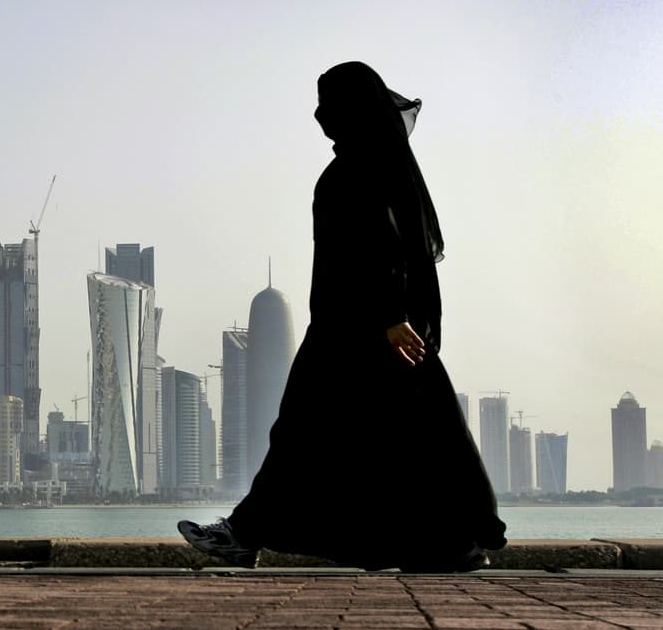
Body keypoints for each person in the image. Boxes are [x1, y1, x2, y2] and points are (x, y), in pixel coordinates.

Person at [178, 61, 506, 572]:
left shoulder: (360, 169)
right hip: (365, 327)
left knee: (308, 437)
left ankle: (244, 534)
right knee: (396, 441)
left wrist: (390, 316)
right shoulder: (372, 165)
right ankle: (445, 546)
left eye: (329, 103)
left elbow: (384, 249)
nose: (320, 115)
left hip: (359, 330)